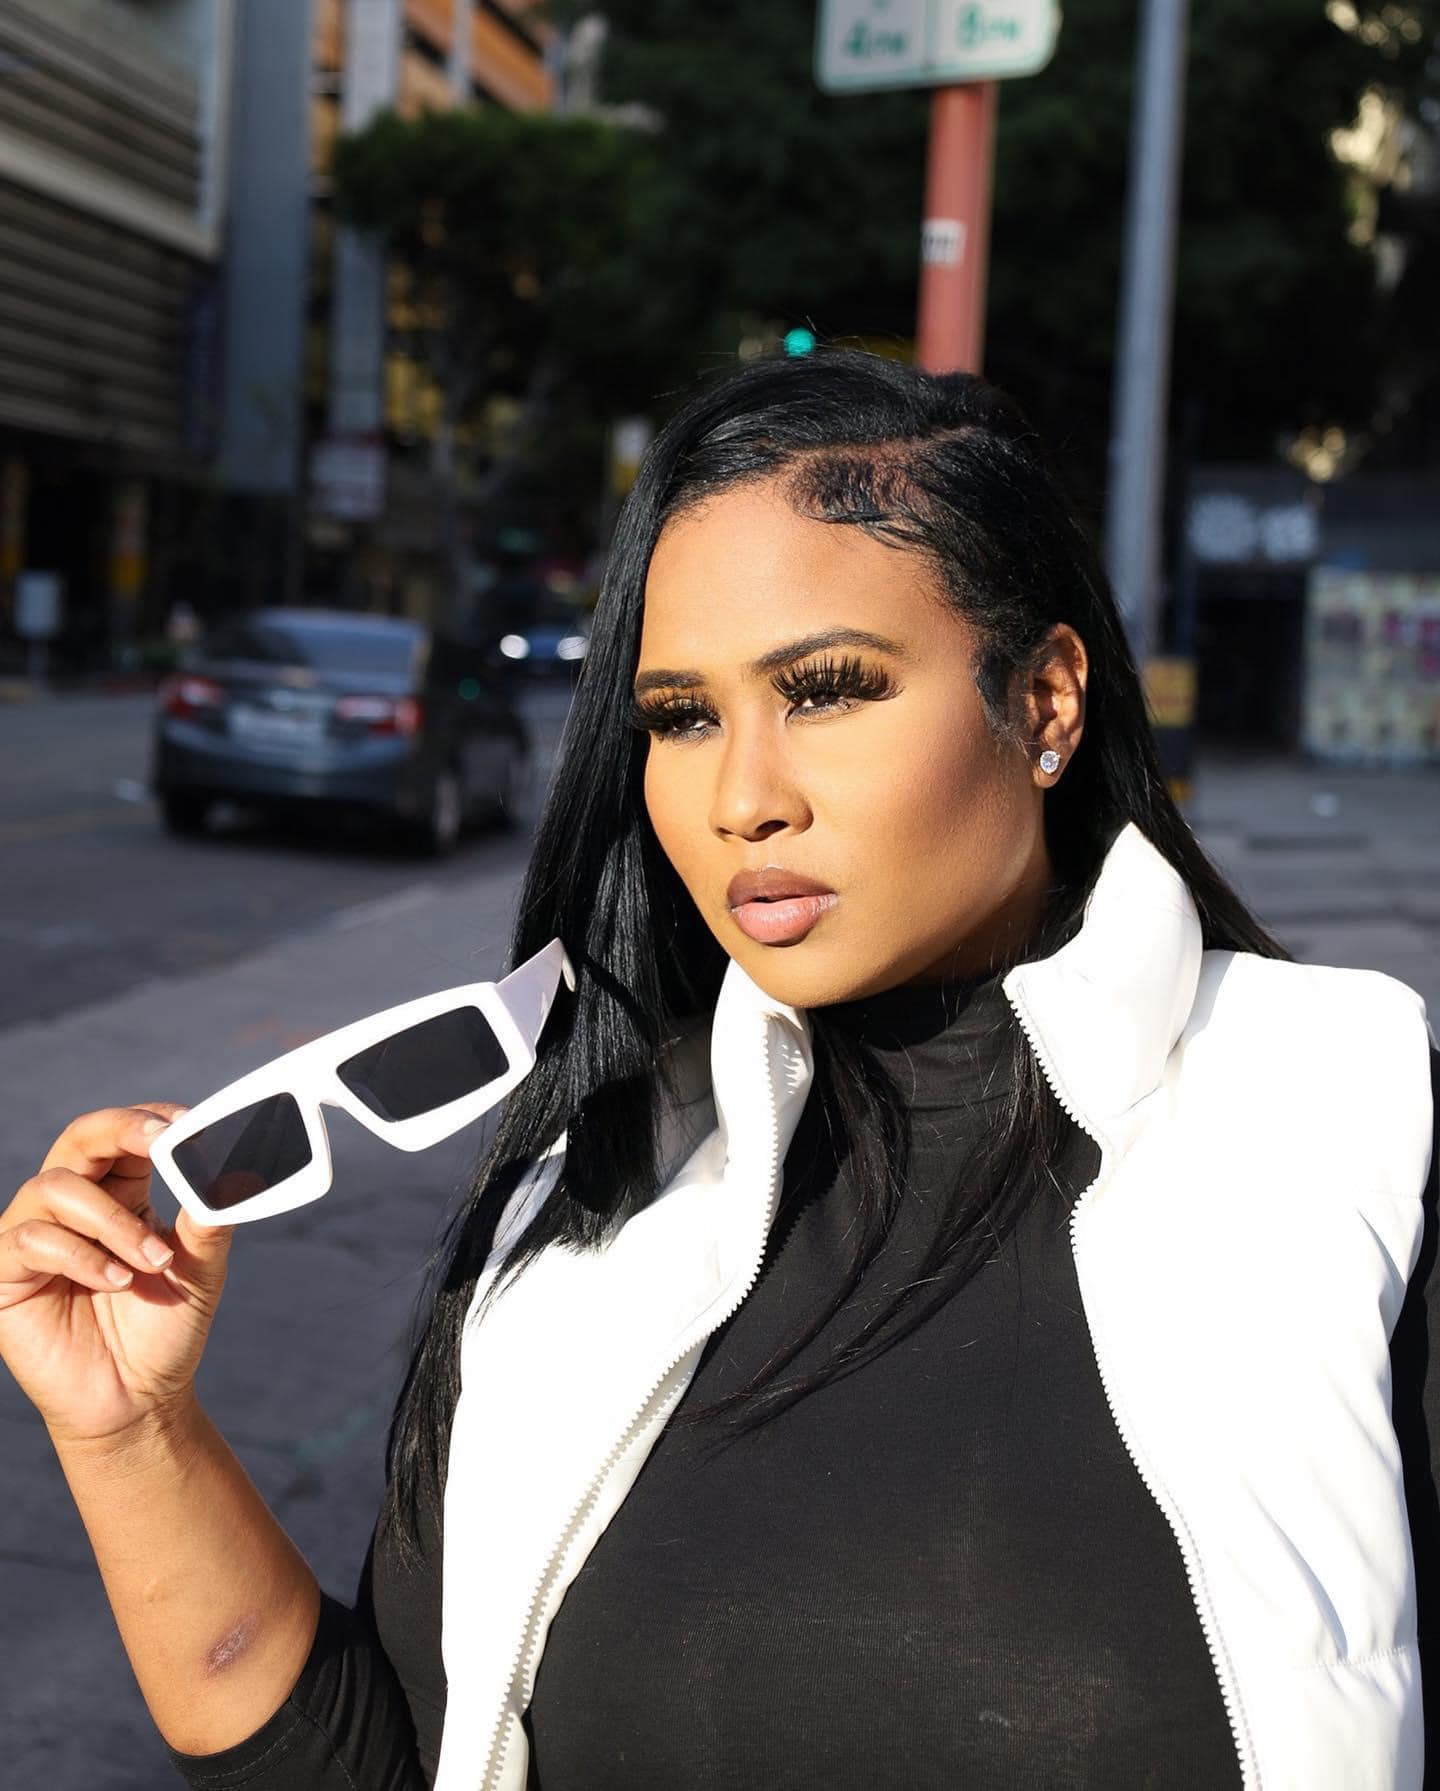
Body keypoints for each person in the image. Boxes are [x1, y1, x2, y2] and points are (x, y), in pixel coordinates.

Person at [2, 351, 1436, 1791]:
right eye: (682, 717)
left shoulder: (1358, 1124)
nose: (742, 797)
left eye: (828, 690)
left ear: (1047, 702)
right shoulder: (594, 1197)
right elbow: (393, 1765)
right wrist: (130, 1434)